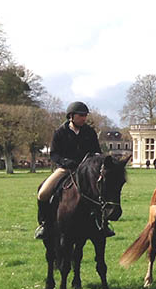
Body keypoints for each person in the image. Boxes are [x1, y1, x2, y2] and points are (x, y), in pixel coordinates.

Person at [35, 101, 109, 238]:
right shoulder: (60, 133)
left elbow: (96, 152)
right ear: (71, 116)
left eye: (85, 115)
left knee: (100, 192)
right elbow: (54, 154)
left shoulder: (90, 132)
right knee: (43, 193)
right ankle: (44, 224)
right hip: (65, 169)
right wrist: (65, 162)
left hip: (86, 172)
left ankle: (103, 224)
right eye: (81, 115)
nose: (84, 118)